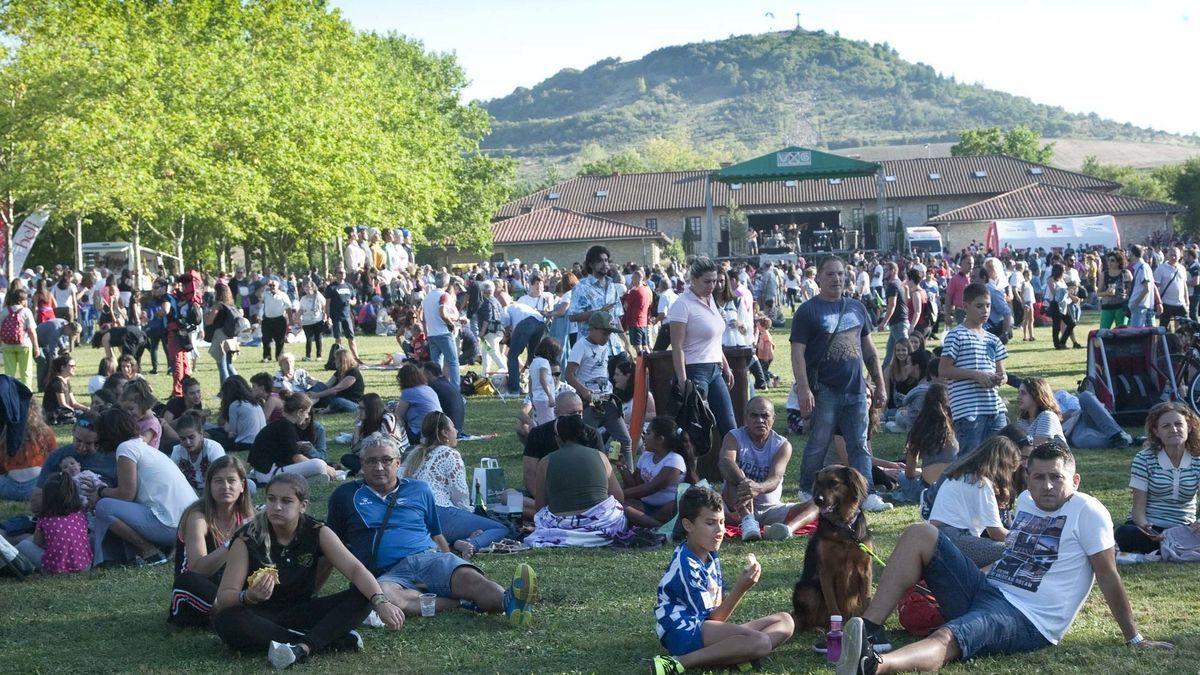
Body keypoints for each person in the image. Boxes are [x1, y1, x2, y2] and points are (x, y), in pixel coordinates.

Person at [835, 443, 1173, 675]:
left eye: (1057, 477)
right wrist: (968, 576)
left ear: (1075, 479)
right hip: (989, 590)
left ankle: (874, 665)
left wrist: (1135, 638)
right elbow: (1015, 554)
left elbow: (1108, 575)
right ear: (1027, 478)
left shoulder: (1088, 511)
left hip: (1026, 618)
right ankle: (868, 630)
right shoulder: (1026, 500)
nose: (1048, 485)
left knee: (948, 637)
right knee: (920, 533)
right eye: (1039, 477)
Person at [326, 434, 537, 626]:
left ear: (398, 463)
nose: (379, 467)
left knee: (472, 580)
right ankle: (460, 603)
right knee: (386, 598)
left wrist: (450, 563)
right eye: (371, 461)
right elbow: (330, 544)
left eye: (386, 460)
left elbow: (436, 533)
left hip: (428, 559)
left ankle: (509, 601)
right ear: (362, 465)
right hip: (387, 573)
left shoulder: (419, 489)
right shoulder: (345, 496)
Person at [212, 473, 403, 670]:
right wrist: (249, 596)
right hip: (261, 615)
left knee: (364, 595)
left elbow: (355, 570)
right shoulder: (247, 538)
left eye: (286, 501)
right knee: (227, 620)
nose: (277, 507)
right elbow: (224, 596)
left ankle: (304, 647)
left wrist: (381, 601)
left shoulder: (317, 531)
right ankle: (326, 640)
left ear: (302, 506)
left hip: (302, 609)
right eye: (271, 499)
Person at [650, 486, 794, 675]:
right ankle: (678, 662)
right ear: (688, 525)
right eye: (710, 523)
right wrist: (741, 588)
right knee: (761, 641)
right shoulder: (686, 566)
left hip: (705, 626)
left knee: (786, 621)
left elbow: (714, 613)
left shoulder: (709, 553)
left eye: (722, 522)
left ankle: (733, 652)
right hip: (684, 632)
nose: (720, 530)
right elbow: (714, 619)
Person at [790, 255, 890, 511]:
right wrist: (803, 387)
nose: (837, 279)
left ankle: (865, 494)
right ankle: (806, 489)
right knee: (818, 443)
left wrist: (879, 383)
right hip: (825, 390)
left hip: (856, 389)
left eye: (841, 274)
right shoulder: (808, 311)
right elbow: (797, 352)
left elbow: (869, 349)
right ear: (819, 278)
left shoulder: (857, 307)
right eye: (831, 274)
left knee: (860, 445)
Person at [91, 407, 197, 566]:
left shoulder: (126, 448)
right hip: (189, 522)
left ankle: (150, 551)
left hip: (171, 525)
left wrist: (100, 491)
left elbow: (126, 494)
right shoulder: (143, 447)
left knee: (103, 507)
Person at [404, 414, 509, 557]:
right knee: (500, 528)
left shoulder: (413, 454)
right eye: (453, 427)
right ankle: (470, 543)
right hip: (439, 513)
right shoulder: (449, 454)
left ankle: (454, 543)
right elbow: (461, 499)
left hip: (409, 516)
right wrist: (473, 515)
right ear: (444, 433)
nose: (457, 432)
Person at [169, 455, 255, 627]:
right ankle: (233, 613)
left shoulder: (247, 516)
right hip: (194, 593)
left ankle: (236, 611)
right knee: (189, 581)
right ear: (209, 486)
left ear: (242, 486)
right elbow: (198, 569)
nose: (225, 487)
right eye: (218, 481)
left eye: (231, 480)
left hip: (227, 587)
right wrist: (232, 540)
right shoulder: (198, 517)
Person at [718, 397, 818, 541]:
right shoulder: (733, 437)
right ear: (746, 417)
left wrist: (757, 488)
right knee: (734, 473)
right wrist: (744, 482)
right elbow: (725, 462)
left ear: (773, 418)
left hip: (770, 510)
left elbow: (775, 478)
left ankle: (786, 529)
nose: (760, 420)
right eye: (754, 415)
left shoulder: (782, 445)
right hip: (735, 508)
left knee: (817, 504)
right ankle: (747, 520)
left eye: (765, 416)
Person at [527, 413, 630, 547]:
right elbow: (618, 496)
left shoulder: (546, 461)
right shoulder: (600, 456)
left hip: (561, 527)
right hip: (602, 525)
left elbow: (540, 506)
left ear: (557, 439)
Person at [1113, 402, 1200, 554]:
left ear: (1190, 427)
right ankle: (1175, 548)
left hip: (1184, 528)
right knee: (1124, 534)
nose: (1174, 430)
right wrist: (1147, 528)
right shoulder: (1144, 459)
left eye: (1179, 424)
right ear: (1156, 431)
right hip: (1150, 527)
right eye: (1166, 426)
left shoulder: (1197, 460)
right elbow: (1138, 510)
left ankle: (1170, 548)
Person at [668, 257, 737, 439]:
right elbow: (677, 347)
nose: (712, 286)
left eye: (715, 281)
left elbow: (714, 338)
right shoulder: (682, 305)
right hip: (694, 370)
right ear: (694, 279)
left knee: (729, 426)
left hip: (715, 369)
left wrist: (726, 366)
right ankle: (690, 468)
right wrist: (683, 381)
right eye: (707, 281)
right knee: (695, 431)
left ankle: (733, 466)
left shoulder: (710, 300)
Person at [928, 436, 1020, 568]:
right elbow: (996, 532)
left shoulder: (962, 475)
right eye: (1011, 470)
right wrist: (1025, 541)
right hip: (955, 539)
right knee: (1014, 553)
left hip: (939, 536)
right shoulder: (981, 483)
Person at [940, 283, 1008, 454]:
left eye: (988, 305)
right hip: (969, 410)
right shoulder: (956, 335)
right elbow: (944, 370)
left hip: (994, 408)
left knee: (997, 458)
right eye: (979, 306)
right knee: (970, 460)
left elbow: (1002, 372)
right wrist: (975, 375)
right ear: (966, 306)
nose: (985, 310)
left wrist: (1000, 378)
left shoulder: (993, 339)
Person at [566, 311, 632, 465]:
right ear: (592, 329)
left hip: (607, 399)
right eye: (604, 333)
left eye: (610, 334)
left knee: (625, 440)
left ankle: (631, 476)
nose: (607, 337)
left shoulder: (604, 345)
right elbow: (569, 374)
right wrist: (583, 391)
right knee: (588, 442)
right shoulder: (581, 345)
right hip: (591, 401)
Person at [617, 415, 696, 524]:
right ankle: (648, 521)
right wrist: (622, 467)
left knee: (618, 505)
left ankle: (656, 527)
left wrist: (618, 493)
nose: (644, 436)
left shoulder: (674, 460)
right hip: (646, 505)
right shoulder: (646, 456)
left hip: (666, 508)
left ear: (660, 439)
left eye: (648, 433)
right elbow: (634, 485)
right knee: (616, 504)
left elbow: (651, 488)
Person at [521, 391, 604, 491]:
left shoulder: (593, 435)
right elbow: (530, 475)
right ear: (556, 412)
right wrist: (545, 502)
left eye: (580, 412)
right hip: (548, 492)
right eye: (572, 413)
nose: (577, 417)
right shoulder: (538, 434)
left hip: (585, 492)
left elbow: (602, 474)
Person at [248, 393, 337, 484]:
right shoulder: (286, 426)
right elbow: (298, 458)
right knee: (319, 464)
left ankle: (310, 480)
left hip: (267, 472)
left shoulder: (281, 424)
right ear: (299, 412)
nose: (307, 416)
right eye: (306, 413)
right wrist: (325, 466)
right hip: (269, 473)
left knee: (322, 475)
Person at [893, 382, 958, 503]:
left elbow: (909, 473)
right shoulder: (958, 426)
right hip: (954, 486)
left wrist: (920, 471)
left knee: (901, 476)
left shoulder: (919, 430)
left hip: (927, 487)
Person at [28, 472, 92, 574]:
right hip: (85, 566)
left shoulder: (45, 518)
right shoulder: (80, 515)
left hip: (54, 570)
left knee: (23, 545)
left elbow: (37, 543)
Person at [0, 404, 56, 502]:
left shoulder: (6, 432)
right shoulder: (46, 431)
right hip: (37, 486)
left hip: (9, 489)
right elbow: (54, 460)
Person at [170, 411, 233, 493]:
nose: (188, 442)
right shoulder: (177, 451)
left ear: (201, 434)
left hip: (214, 489)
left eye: (191, 437)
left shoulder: (213, 448)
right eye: (183, 439)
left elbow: (223, 475)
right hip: (190, 490)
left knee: (248, 485)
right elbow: (172, 478)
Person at [503, 286, 547, 395]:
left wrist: (507, 338)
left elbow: (507, 325)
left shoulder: (506, 308)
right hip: (540, 322)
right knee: (533, 357)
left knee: (512, 356)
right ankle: (536, 388)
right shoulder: (521, 306)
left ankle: (514, 390)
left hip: (526, 323)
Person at [423, 271, 464, 388]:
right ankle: (456, 390)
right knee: (453, 362)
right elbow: (443, 312)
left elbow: (424, 319)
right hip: (443, 333)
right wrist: (452, 324)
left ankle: (436, 389)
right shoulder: (444, 296)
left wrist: (427, 334)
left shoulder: (427, 297)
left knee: (435, 366)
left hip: (432, 334)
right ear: (447, 282)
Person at [393, 362, 442, 444]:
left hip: (419, 434)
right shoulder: (428, 389)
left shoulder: (408, 392)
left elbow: (397, 417)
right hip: (437, 431)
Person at [215, 375, 266, 454]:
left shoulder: (235, 405)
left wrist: (226, 428)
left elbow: (232, 431)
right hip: (260, 442)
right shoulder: (254, 402)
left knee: (212, 435)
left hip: (245, 444)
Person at [0, 287, 39, 387]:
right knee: (26, 372)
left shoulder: (4, 311)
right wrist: (36, 347)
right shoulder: (26, 311)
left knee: (9, 373)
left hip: (7, 345)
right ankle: (27, 394)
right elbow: (31, 331)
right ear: (22, 300)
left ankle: (9, 393)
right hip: (24, 344)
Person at [205, 284, 240, 385]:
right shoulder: (230, 305)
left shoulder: (217, 305)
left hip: (220, 337)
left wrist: (205, 314)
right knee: (229, 365)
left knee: (222, 366)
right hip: (231, 338)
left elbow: (209, 321)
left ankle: (224, 391)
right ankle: (240, 385)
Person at [323, 268, 361, 365]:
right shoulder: (331, 287)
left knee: (351, 337)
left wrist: (351, 302)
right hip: (336, 316)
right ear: (336, 274)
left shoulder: (349, 286)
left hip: (347, 316)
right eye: (340, 272)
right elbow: (327, 304)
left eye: (344, 272)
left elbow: (354, 300)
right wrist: (327, 317)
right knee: (338, 339)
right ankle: (340, 360)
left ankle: (356, 358)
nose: (343, 274)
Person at [876, 262, 909, 368]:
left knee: (906, 350)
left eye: (886, 270)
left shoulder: (893, 285)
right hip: (898, 322)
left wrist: (883, 322)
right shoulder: (899, 283)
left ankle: (912, 374)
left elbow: (892, 305)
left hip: (898, 322)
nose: (884, 273)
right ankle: (882, 376)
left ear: (893, 270)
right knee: (890, 352)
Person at [420, 361, 465, 438]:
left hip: (446, 431)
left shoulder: (433, 387)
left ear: (428, 373)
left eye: (422, 374)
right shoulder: (446, 383)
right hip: (456, 429)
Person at [1017, 377, 1066, 446]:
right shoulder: (1022, 420)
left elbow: (1037, 447)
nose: (1019, 397)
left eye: (1023, 393)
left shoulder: (1047, 416)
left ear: (1036, 395)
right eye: (1018, 393)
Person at [43, 354, 87, 425]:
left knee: (85, 413)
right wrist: (73, 410)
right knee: (81, 415)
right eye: (71, 366)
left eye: (75, 366)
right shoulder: (57, 382)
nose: (74, 368)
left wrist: (86, 409)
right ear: (62, 367)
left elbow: (74, 403)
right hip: (54, 414)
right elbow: (62, 404)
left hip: (64, 411)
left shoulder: (66, 381)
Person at [120, 378, 162, 450]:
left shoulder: (152, 423)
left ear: (142, 403)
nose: (129, 413)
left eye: (131, 409)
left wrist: (130, 433)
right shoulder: (138, 419)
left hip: (147, 459)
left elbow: (145, 440)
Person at [1154, 246, 1188, 328]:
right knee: (1163, 328)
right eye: (1171, 255)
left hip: (1180, 303)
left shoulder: (1182, 269)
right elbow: (1156, 287)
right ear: (1167, 256)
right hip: (1166, 303)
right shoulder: (1160, 269)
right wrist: (1158, 303)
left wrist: (1187, 301)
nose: (1173, 257)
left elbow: (1184, 285)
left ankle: (1177, 341)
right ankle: (1161, 341)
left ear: (1180, 256)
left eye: (1175, 255)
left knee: (1182, 329)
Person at [260, 277, 292, 362]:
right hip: (267, 320)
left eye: (274, 285)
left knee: (280, 340)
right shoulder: (266, 294)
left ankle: (279, 357)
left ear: (278, 286)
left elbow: (289, 307)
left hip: (279, 320)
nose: (272, 287)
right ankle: (267, 356)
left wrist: (291, 320)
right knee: (266, 339)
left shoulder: (283, 295)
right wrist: (264, 287)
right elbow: (259, 298)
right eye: (270, 285)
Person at [1098, 250, 1132, 330]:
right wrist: (1106, 292)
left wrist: (1126, 295)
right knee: (1103, 331)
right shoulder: (1104, 274)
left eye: (1112, 260)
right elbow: (1098, 293)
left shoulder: (1126, 273)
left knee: (1122, 331)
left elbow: (1131, 289)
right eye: (1108, 260)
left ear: (1118, 262)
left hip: (1121, 307)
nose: (1109, 262)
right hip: (1107, 306)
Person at [1127, 244, 1159, 329]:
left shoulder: (1142, 268)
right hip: (1143, 306)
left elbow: (1146, 288)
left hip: (1140, 306)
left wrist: (1135, 303)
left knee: (1137, 333)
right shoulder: (1142, 267)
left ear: (1132, 254)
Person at [297, 280, 326, 362]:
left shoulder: (318, 296)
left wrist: (325, 315)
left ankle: (319, 355)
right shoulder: (303, 298)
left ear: (313, 287)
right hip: (307, 321)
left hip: (318, 320)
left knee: (318, 338)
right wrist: (297, 318)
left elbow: (324, 305)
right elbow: (301, 310)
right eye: (305, 287)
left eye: (308, 287)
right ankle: (308, 355)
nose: (306, 289)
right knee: (308, 339)